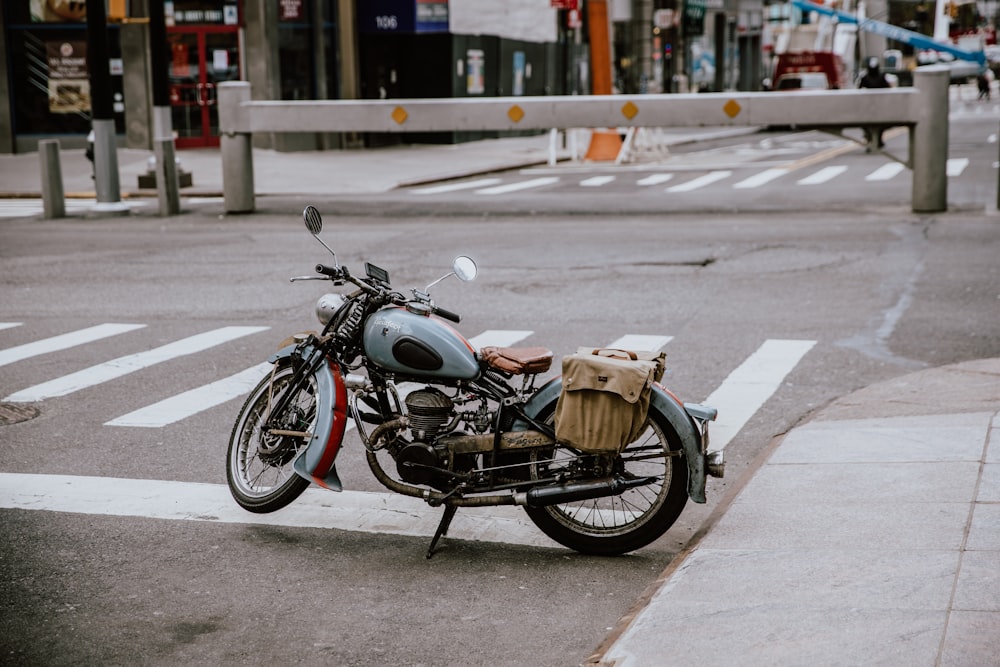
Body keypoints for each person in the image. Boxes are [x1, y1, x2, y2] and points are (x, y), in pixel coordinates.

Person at [858, 57, 890, 151]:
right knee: (866, 124)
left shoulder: (879, 77)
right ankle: (871, 139)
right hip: (869, 106)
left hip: (876, 105)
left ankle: (876, 139)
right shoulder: (865, 78)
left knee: (880, 124)